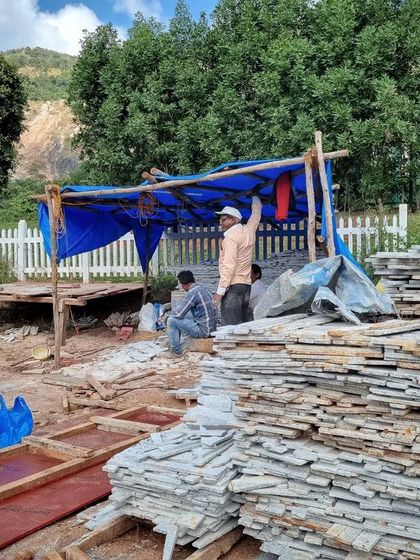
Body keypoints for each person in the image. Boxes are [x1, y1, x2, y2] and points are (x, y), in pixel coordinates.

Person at [213, 196, 262, 325]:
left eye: (223, 219)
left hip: (233, 286)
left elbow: (229, 266)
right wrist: (256, 200)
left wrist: (220, 291)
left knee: (230, 326)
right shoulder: (249, 231)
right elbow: (256, 216)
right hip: (246, 286)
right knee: (242, 323)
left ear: (233, 220)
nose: (220, 223)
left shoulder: (230, 239)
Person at [167, 270, 217, 355]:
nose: (181, 287)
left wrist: (166, 316)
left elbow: (179, 314)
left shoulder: (193, 293)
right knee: (187, 314)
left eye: (181, 285)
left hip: (204, 331)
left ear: (184, 284)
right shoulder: (205, 289)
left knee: (171, 320)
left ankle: (176, 351)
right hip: (212, 329)